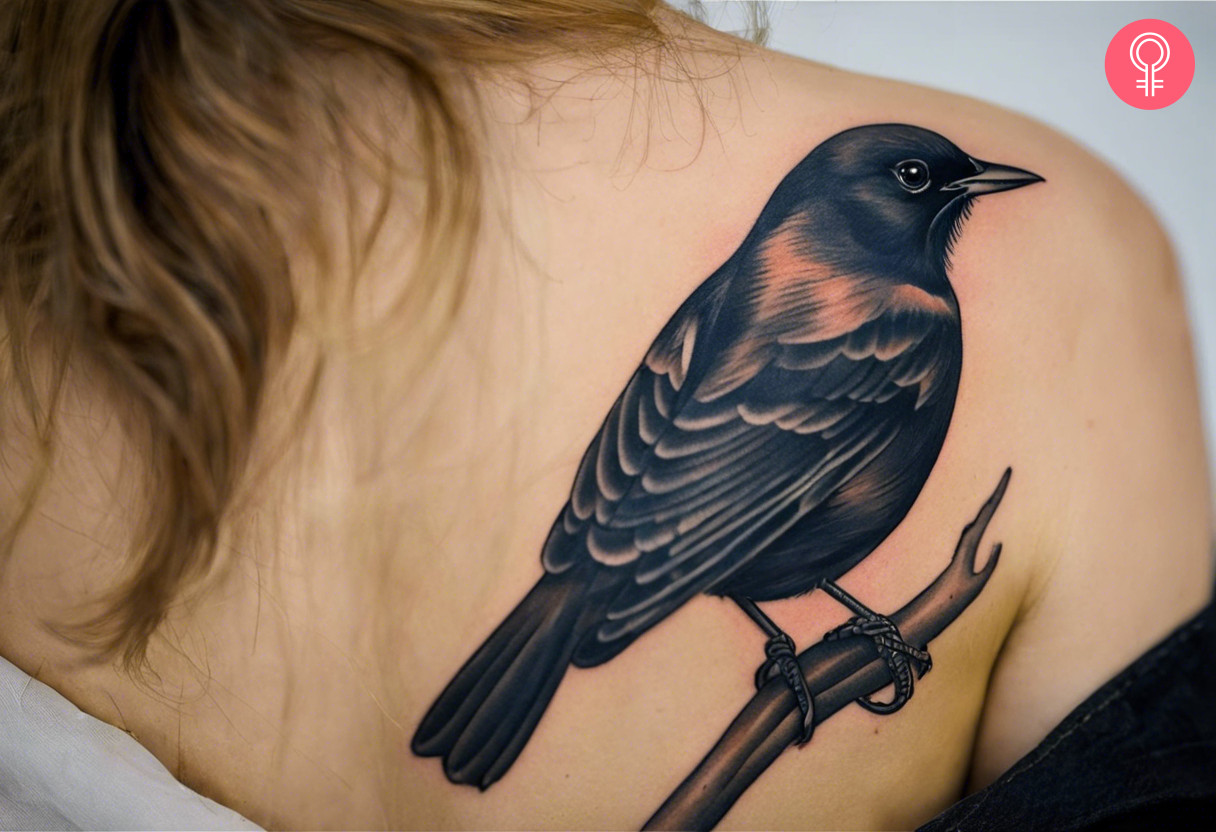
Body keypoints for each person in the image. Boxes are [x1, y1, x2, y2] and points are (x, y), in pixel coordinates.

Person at [0, 2, 1210, 829]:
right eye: (920, 181)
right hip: (697, 528)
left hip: (623, 518)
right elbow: (779, 468)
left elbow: (664, 413)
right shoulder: (1020, 288)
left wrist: (618, 545)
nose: (953, 192)